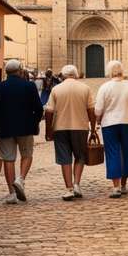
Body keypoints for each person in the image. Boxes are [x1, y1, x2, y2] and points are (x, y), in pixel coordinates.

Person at [0, 60, 43, 204]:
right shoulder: (29, 86)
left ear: (6, 72)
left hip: (5, 128)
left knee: (8, 159)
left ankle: (12, 193)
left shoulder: (0, 87)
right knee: (27, 155)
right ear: (20, 71)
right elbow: (38, 108)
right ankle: (21, 179)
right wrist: (34, 122)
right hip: (25, 128)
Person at [94, 60, 128, 198]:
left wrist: (97, 121)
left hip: (109, 124)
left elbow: (98, 110)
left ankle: (116, 187)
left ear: (109, 72)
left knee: (112, 152)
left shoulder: (104, 87)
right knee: (126, 151)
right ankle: (123, 185)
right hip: (127, 122)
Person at [45, 64, 96, 201]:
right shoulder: (85, 88)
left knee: (64, 158)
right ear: (76, 74)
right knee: (80, 156)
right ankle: (77, 184)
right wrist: (93, 127)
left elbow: (49, 111)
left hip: (60, 128)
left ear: (62, 75)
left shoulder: (56, 89)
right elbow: (91, 110)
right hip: (80, 127)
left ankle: (69, 189)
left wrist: (48, 130)